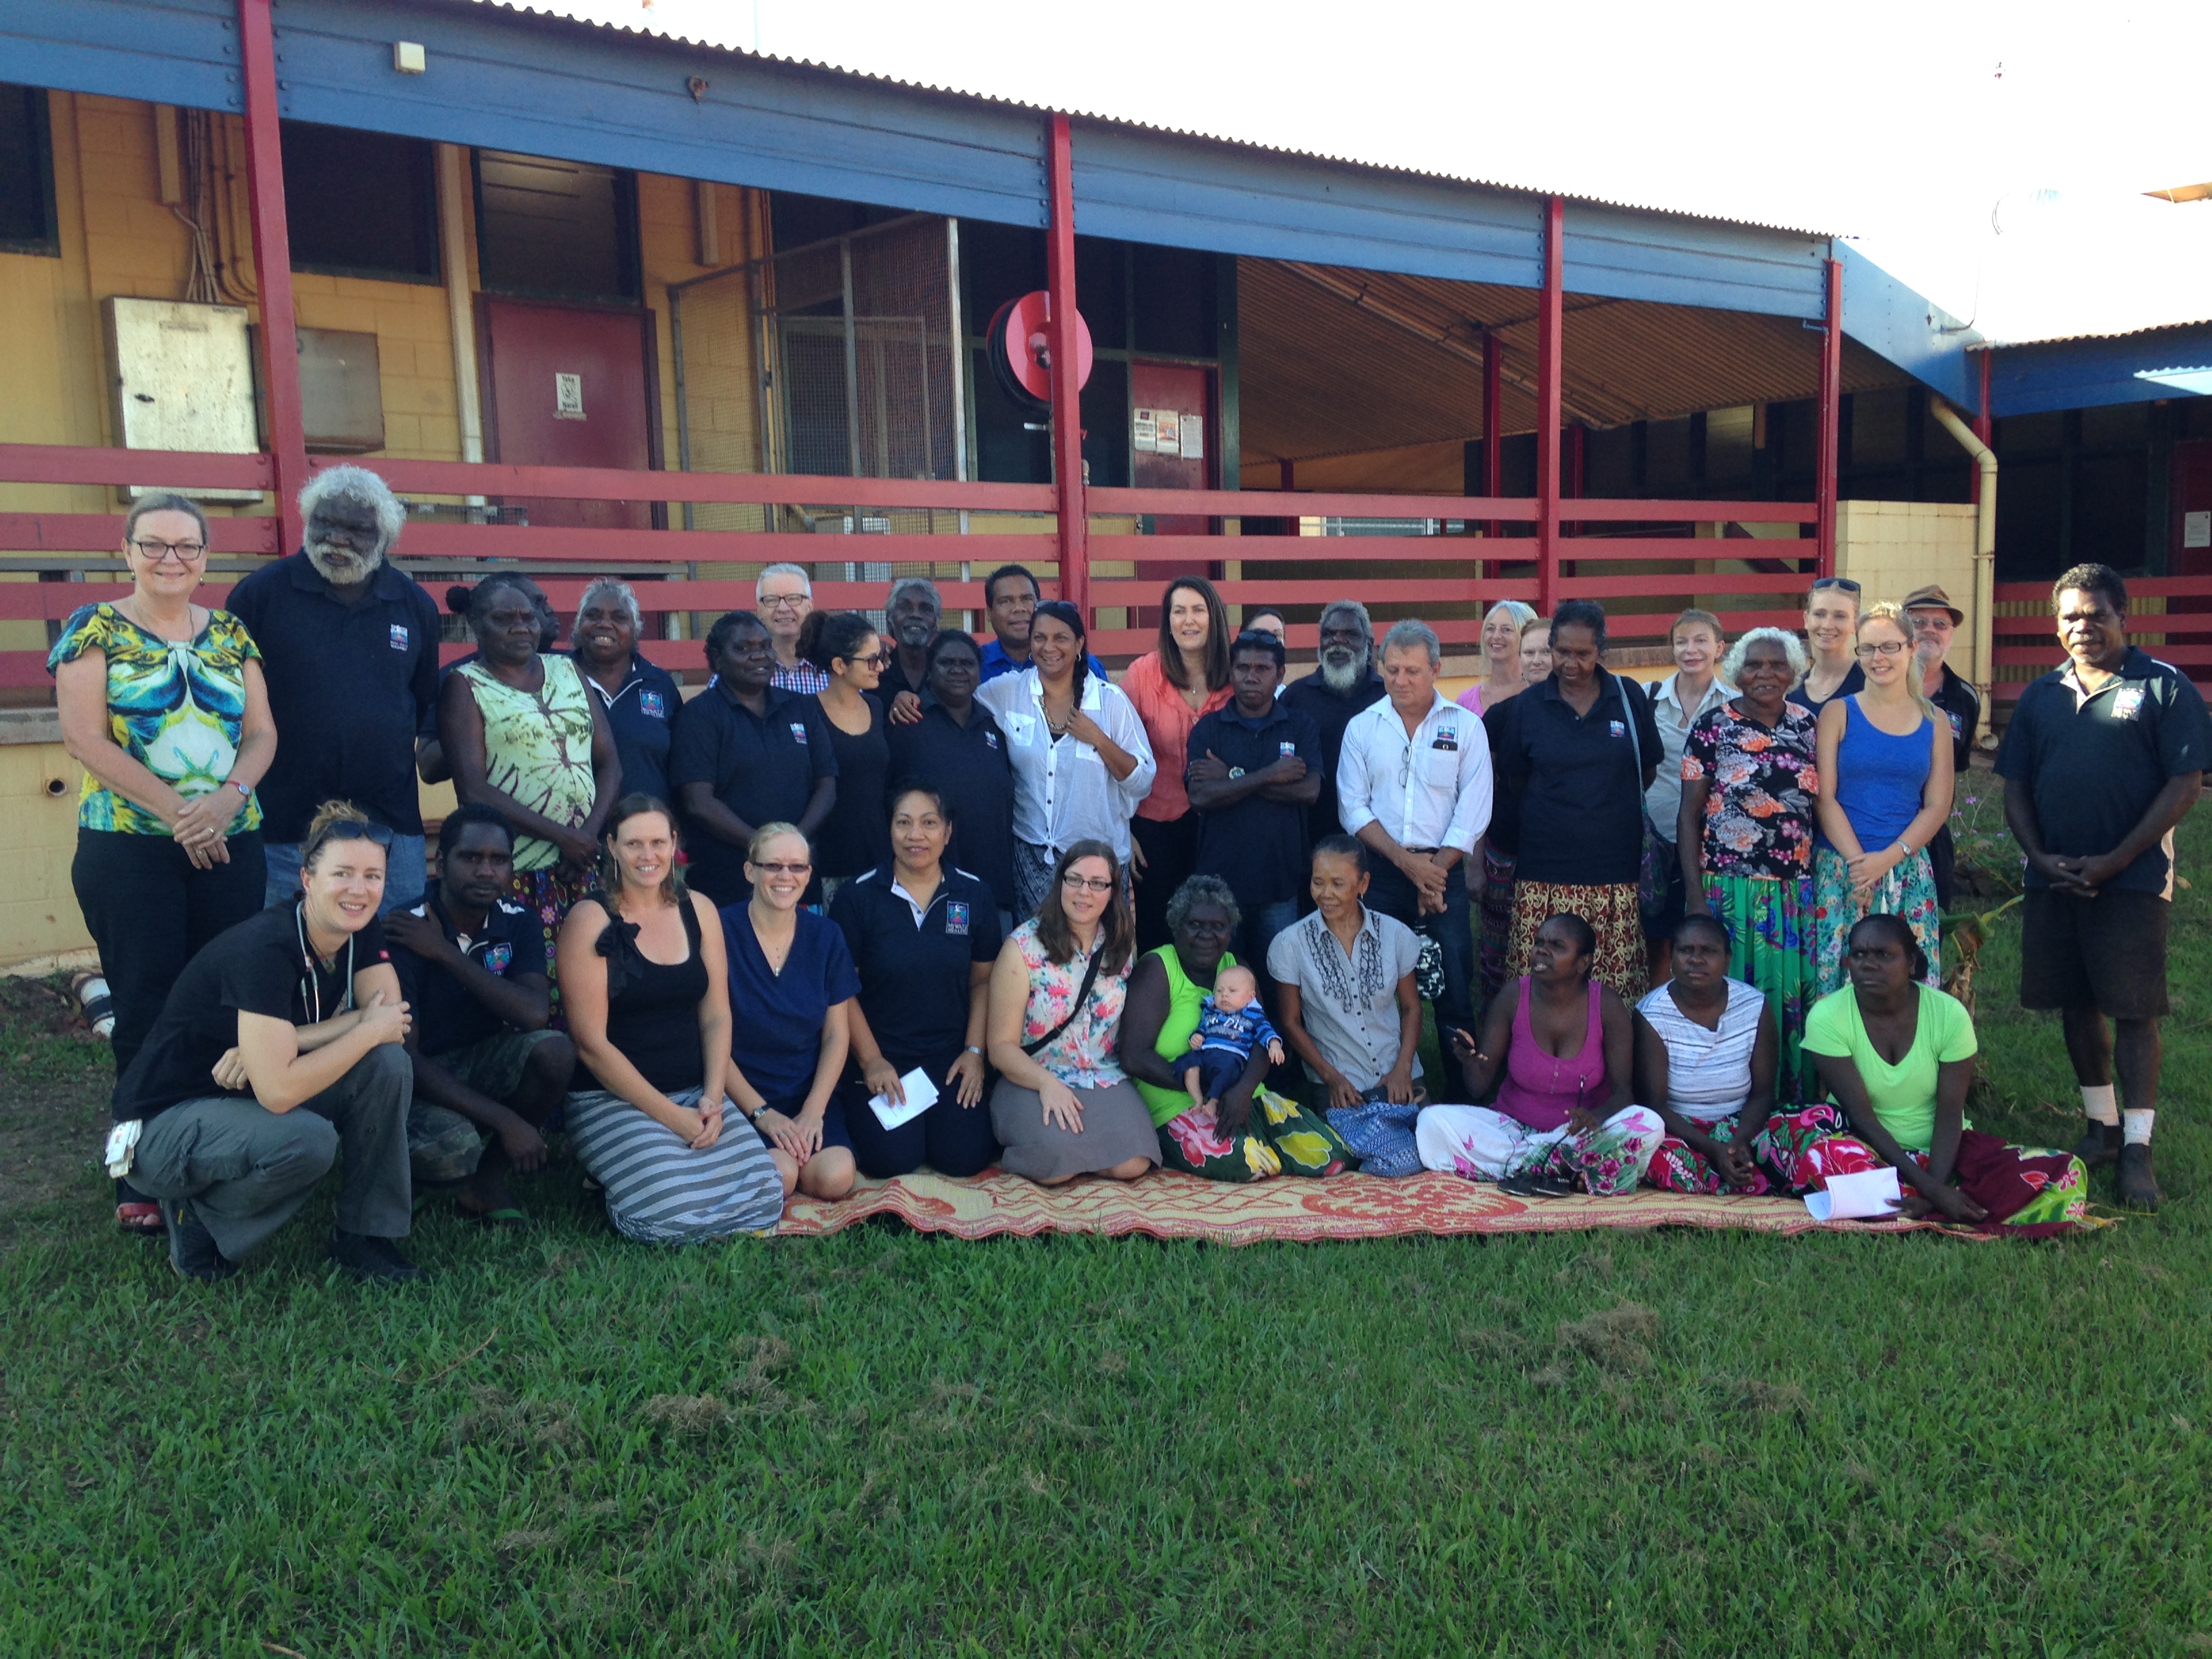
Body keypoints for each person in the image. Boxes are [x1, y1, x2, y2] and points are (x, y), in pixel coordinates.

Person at [51, 491, 276, 1234]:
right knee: (146, 1004)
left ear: (206, 558)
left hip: (229, 845)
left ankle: (216, 1146)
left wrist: (227, 799)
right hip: (130, 850)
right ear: (127, 551)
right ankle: (137, 1166)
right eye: (154, 545)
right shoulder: (95, 630)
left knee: (224, 999)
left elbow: (264, 735)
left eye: (186, 547)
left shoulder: (233, 632)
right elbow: (86, 740)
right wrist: (182, 813)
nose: (170, 559)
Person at [109, 801, 422, 1284]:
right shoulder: (265, 948)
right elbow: (279, 1090)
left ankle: (366, 1235)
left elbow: (391, 1022)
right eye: (343, 873)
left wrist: (289, 1039)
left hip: (243, 1095)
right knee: (307, 1140)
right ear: (307, 879)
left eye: (373, 876)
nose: (359, 890)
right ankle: (201, 1222)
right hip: (164, 1122)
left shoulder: (358, 927)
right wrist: (359, 1027)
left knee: (387, 1062)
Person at [1996, 562, 2209, 1211]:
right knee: (2075, 1001)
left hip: (2134, 879)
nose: (2081, 627)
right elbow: (2015, 786)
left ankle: (2139, 1148)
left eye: (2095, 614)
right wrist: (2039, 857)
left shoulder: (2165, 688)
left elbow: (2184, 785)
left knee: (2133, 1006)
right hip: (2054, 878)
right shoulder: (2041, 696)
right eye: (2069, 616)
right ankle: (2102, 1127)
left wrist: (2116, 859)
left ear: (2123, 617)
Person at [557, 796, 787, 1242]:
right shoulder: (589, 919)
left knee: (767, 1192)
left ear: (674, 843)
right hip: (613, 1099)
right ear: (612, 846)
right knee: (669, 1215)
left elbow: (717, 1014)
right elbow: (591, 1043)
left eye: (658, 842)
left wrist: (714, 1101)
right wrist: (673, 1120)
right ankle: (611, 1178)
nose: (648, 856)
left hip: (694, 1093)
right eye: (634, 844)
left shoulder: (698, 909)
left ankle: (654, 1172)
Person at [226, 465, 441, 912]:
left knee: (394, 953)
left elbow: (420, 704)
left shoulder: (413, 605)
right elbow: (231, 706)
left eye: (356, 529)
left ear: (384, 536)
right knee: (286, 955)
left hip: (390, 824)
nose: (337, 538)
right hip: (283, 826)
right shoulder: (260, 596)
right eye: (325, 523)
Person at [1805, 914, 2089, 1232]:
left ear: (1912, 963)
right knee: (1824, 1155)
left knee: (2065, 1170)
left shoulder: (1949, 1015)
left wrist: (1934, 1189)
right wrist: (1937, 1192)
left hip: (1944, 1153)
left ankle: (1903, 1203)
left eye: (1883, 955)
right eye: (1859, 955)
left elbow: (1950, 1113)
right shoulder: (1827, 1017)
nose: (1868, 964)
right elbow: (1862, 1118)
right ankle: (1944, 1201)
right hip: (1864, 1149)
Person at [384, 804, 577, 1222]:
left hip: (478, 1057)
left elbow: (532, 1015)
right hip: (414, 1078)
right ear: (441, 862)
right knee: (456, 1151)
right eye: (471, 858)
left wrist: (446, 955)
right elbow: (407, 1059)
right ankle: (403, 1180)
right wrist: (507, 1122)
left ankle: (485, 1184)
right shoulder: (404, 927)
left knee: (555, 1052)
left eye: (499, 860)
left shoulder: (518, 920)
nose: (487, 871)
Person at [440, 573, 622, 983]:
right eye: (504, 618)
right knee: (532, 984)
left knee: (595, 980)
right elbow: (472, 789)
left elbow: (609, 761)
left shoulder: (568, 670)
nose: (520, 626)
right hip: (518, 870)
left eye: (528, 617)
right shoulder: (465, 685)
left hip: (584, 864)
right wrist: (565, 838)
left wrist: (587, 839)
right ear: (477, 625)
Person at [1120, 874, 1350, 1181]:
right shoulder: (1158, 969)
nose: (1207, 935)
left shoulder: (1235, 967)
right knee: (1247, 1163)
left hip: (1242, 1094)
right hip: (1176, 1102)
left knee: (1331, 1154)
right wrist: (1209, 1087)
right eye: (1196, 925)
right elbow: (1134, 1056)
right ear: (1177, 926)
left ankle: (1264, 1141)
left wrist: (1242, 1090)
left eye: (1218, 927)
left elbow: (1262, 1035)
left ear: (1230, 932)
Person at [1485, 599, 1660, 1000]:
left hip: (1615, 873)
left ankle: (1610, 1063)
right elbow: (1516, 778)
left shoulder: (1627, 697)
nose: (1571, 663)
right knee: (1543, 986)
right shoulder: (1527, 706)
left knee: (1611, 991)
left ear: (1602, 651)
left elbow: (1644, 771)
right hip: (1545, 871)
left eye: (1583, 654)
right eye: (1562, 652)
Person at [1417, 914, 1664, 1196]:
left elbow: (1623, 1093)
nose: (1542, 950)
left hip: (1578, 1136)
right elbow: (1478, 1086)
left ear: (1583, 963)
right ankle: (1565, 1171)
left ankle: (1527, 1170)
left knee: (1650, 1123)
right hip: (1513, 1133)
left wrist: (1596, 1117)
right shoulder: (1513, 996)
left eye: (1557, 946)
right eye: (1539, 942)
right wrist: (1471, 1062)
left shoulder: (1607, 1005)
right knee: (1431, 1122)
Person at [1678, 628, 1823, 1105]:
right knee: (1730, 1001)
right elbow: (1688, 814)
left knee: (1786, 1001)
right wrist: (1696, 897)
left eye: (1777, 664)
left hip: (1790, 894)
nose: (1765, 674)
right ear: (1737, 672)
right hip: (1727, 891)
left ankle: (1787, 1102)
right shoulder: (1713, 727)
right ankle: (1725, 1099)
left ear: (1794, 670)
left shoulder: (1810, 725)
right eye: (1754, 665)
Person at [829, 785, 1004, 1179]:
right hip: (884, 1056)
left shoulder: (974, 894)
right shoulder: (857, 897)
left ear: (948, 832)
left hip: (950, 1055)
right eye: (903, 822)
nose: (915, 836)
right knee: (892, 1159)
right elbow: (843, 991)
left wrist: (975, 1052)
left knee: (963, 1157)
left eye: (929, 823)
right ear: (889, 829)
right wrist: (872, 1060)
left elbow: (983, 982)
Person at [1637, 914, 1875, 1195]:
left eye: (1709, 951)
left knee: (1822, 1117)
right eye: (1686, 950)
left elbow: (1763, 1093)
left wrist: (1738, 1142)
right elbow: (1656, 1104)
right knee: (1653, 1152)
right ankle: (1766, 1175)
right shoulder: (1651, 1013)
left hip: (1746, 1124)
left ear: (1727, 959)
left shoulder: (1753, 1005)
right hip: (1684, 1131)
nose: (1696, 960)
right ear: (1672, 959)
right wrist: (1716, 1149)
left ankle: (1744, 1172)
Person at [1337, 617, 1491, 1047]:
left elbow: (1474, 807)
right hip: (1382, 871)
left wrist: (1434, 872)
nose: (1400, 680)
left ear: (1437, 670)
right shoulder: (1362, 728)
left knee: (1454, 981)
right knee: (1375, 982)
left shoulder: (1465, 726)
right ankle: (1386, 1087)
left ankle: (1463, 1096)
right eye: (1392, 669)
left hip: (1445, 871)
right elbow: (1352, 807)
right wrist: (1409, 866)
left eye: (1413, 671)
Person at [984, 840, 1160, 1185]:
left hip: (1102, 1074)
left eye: (1097, 883)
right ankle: (1045, 1145)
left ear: (1112, 892)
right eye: (1074, 879)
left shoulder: (1122, 946)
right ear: (1060, 883)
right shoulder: (1022, 947)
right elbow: (1000, 1047)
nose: (1084, 892)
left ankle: (1080, 1147)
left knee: (1133, 1164)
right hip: (1033, 1077)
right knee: (1058, 1168)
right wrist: (1047, 1084)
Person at [975, 600, 1155, 917]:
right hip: (1033, 858)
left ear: (1079, 645)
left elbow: (1142, 780)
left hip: (1099, 861)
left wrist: (1098, 739)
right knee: (1039, 960)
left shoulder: (1109, 702)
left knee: (1099, 958)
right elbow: (957, 697)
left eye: (1061, 638)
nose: (1049, 647)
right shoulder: (1006, 693)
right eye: (1040, 638)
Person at [1811, 602, 1952, 996]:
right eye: (1868, 648)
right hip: (1844, 870)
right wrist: (1860, 866)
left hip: (1906, 869)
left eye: (1889, 647)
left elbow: (1937, 805)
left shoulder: (1935, 721)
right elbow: (1826, 798)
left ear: (1911, 648)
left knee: (1907, 985)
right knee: (1840, 982)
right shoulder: (1837, 713)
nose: (1878, 658)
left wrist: (1889, 857)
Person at [1269, 838, 1427, 1176]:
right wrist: (1332, 1078)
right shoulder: (1290, 945)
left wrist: (1403, 1069)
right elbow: (1290, 1022)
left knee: (1435, 1141)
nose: (1326, 894)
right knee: (1396, 1157)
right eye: (1318, 882)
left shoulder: (1395, 936)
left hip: (1397, 1078)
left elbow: (1412, 1009)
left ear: (1363, 883)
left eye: (1338, 883)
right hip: (1342, 1089)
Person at [720, 823, 861, 1202]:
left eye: (797, 867)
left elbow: (836, 1035)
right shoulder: (720, 931)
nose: (786, 876)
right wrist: (762, 1113)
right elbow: (711, 1035)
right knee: (778, 1175)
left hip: (807, 1092)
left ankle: (797, 1154)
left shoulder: (827, 936)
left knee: (836, 1177)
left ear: (809, 875)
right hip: (743, 1095)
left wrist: (813, 1110)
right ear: (750, 871)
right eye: (773, 866)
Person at [669, 611, 837, 906]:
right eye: (743, 648)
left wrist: (792, 846)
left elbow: (827, 782)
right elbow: (698, 802)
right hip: (727, 885)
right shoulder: (699, 715)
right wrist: (764, 847)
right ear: (717, 659)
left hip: (797, 879)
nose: (759, 655)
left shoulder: (799, 707)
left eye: (764, 646)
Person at [1185, 630, 1324, 983]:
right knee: (1221, 980)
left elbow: (1309, 791)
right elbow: (1200, 797)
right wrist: (1270, 776)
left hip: (1280, 883)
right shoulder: (1210, 728)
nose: (1251, 676)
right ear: (1231, 672)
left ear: (1280, 674)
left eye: (1262, 668)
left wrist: (1231, 776)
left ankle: (1278, 1040)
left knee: (1280, 979)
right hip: (1219, 885)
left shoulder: (1299, 725)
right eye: (1243, 667)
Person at [1122, 575, 1236, 949]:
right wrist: (1125, 830)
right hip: (1154, 827)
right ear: (1167, 622)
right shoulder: (1142, 675)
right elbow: (1114, 755)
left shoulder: (1238, 674)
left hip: (1219, 824)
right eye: (1179, 611)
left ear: (1214, 617)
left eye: (1198, 610)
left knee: (1214, 929)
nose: (1189, 620)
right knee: (1159, 930)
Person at [884, 630, 1018, 927]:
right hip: (929, 888)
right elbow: (889, 799)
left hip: (993, 887)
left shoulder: (993, 724)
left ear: (979, 671)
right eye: (947, 663)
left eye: (967, 663)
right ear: (930, 671)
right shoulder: (908, 722)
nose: (958, 669)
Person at [1643, 609, 1734, 981]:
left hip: (1711, 841)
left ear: (1719, 647)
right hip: (1655, 837)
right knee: (1657, 940)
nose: (1690, 649)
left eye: (1700, 641)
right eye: (1681, 641)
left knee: (1705, 935)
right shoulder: (1648, 697)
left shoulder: (1734, 705)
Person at [1477, 615, 1555, 1007]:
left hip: (1559, 857)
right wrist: (1476, 863)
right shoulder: (1500, 716)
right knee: (1500, 951)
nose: (1538, 660)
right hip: (1505, 852)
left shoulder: (1580, 715)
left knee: (1555, 949)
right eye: (1530, 652)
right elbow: (1477, 792)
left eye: (1546, 651)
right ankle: (1497, 1039)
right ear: (1519, 658)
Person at [800, 610, 893, 903]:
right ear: (840, 665)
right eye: (871, 660)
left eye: (881, 657)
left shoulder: (877, 707)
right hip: (826, 861)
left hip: (877, 857)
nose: (880, 667)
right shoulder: (805, 712)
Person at [1902, 583, 1983, 909]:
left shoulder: (1965, 698)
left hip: (1932, 837)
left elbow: (1955, 769)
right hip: (1869, 829)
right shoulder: (1867, 685)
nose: (1930, 631)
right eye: (1919, 622)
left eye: (1941, 624)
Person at [1281, 599, 1387, 844]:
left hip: (1378, 842)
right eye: (1329, 634)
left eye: (1350, 634)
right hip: (1310, 838)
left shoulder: (1388, 697)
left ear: (1369, 646)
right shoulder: (1296, 697)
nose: (1338, 642)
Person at [572, 578, 683, 806]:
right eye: (593, 615)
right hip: (573, 833)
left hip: (646, 833)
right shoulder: (554, 679)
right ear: (578, 625)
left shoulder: (659, 684)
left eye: (619, 618)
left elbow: (680, 768)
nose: (604, 624)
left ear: (635, 630)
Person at [1174, 965, 1285, 1108]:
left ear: (1250, 997)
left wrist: (1274, 1044)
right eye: (1219, 991)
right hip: (1205, 1052)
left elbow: (1265, 1030)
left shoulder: (1252, 1015)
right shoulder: (1211, 1012)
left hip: (1231, 1055)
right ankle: (1198, 1099)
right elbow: (1203, 1027)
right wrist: (1196, 1036)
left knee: (1228, 1070)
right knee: (1189, 1063)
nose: (1224, 995)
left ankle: (1213, 1102)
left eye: (1232, 991)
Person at [977, 564, 1106, 684]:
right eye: (1006, 601)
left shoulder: (1086, 665)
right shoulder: (974, 664)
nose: (1019, 608)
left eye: (1027, 599)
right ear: (990, 612)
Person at [1789, 576, 1865, 717]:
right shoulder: (1791, 689)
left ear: (1855, 624)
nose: (1827, 625)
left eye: (1840, 616)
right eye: (1819, 614)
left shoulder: (1868, 682)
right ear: (1806, 619)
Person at [1455, 600, 1538, 716]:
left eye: (1506, 630)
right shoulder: (1466, 701)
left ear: (1526, 637)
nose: (1496, 636)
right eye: (1491, 629)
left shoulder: (1538, 695)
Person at [756, 562, 827, 694]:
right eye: (772, 600)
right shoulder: (740, 670)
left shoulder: (834, 667)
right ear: (759, 610)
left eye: (794, 598)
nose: (783, 609)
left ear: (810, 606)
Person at [877, 577, 941, 708]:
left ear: (936, 623)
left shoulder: (946, 674)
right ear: (890, 619)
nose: (916, 615)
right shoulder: (875, 672)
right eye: (905, 608)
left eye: (926, 609)